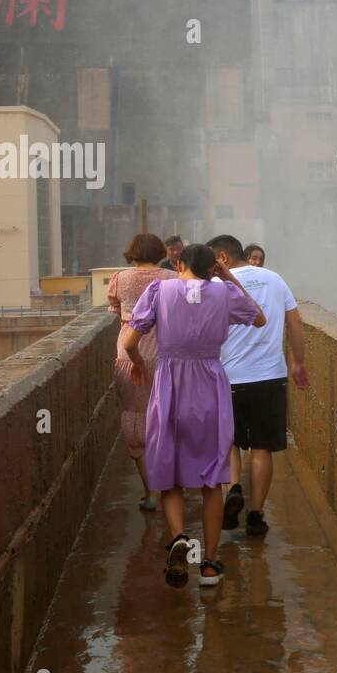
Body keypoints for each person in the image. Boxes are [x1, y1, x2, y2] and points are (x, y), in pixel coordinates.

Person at [121, 243, 267, 588]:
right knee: (211, 478)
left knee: (169, 472)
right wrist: (227, 276)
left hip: (170, 383)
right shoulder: (223, 294)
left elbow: (129, 343)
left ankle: (177, 539)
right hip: (209, 385)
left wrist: (140, 365)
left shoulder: (159, 290)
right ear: (211, 268)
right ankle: (211, 564)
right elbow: (259, 318)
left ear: (178, 262)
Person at [205, 234, 308, 537]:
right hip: (269, 375)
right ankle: (256, 514)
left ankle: (234, 487)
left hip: (228, 376)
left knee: (230, 442)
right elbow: (296, 323)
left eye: (212, 261)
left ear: (222, 257)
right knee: (262, 447)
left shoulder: (215, 286)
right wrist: (298, 362)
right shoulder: (275, 279)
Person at [107, 233, 176, 512]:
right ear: (160, 252)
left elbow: (115, 310)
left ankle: (150, 493)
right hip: (164, 353)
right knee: (164, 420)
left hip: (129, 354)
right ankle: (169, 486)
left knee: (136, 417)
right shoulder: (172, 279)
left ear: (132, 252)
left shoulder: (120, 278)